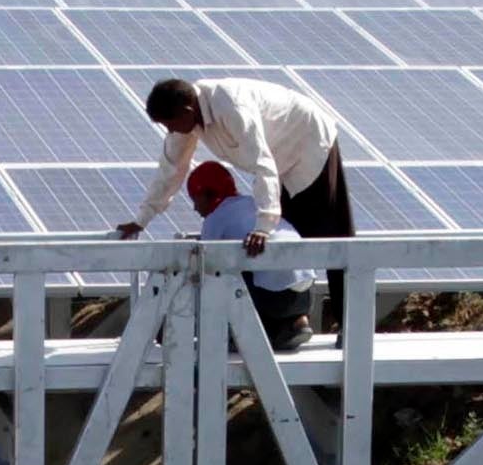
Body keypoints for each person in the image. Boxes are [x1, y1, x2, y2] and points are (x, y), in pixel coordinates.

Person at [118, 79, 351, 304]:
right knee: (287, 240)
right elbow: (170, 170)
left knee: (327, 235)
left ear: (187, 111)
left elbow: (262, 163)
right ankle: (293, 322)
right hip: (278, 163)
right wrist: (142, 219)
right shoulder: (186, 121)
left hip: (308, 144)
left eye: (170, 124)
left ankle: (347, 321)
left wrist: (263, 226)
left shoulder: (232, 109)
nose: (169, 131)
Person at [186, 162, 310, 352]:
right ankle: (298, 321)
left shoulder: (216, 218)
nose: (194, 207)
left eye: (195, 198)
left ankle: (248, 334)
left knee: (221, 276)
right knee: (263, 267)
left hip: (270, 298)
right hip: (304, 293)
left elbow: (205, 269)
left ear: (209, 194)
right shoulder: (255, 205)